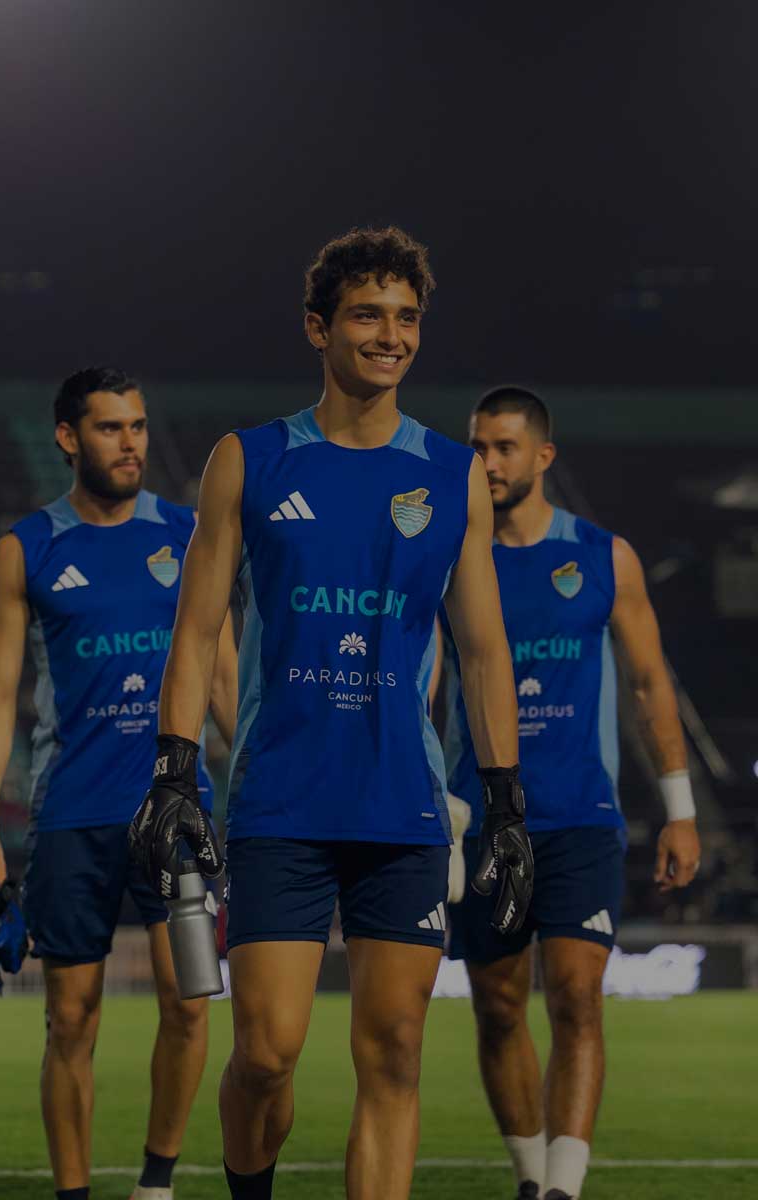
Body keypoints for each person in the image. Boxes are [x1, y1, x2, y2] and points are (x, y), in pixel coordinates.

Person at [128, 227, 531, 1200]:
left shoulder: (450, 474)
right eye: (365, 314)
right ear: (318, 327)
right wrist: (174, 773)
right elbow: (195, 632)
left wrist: (505, 806)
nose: (388, 334)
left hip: (402, 807)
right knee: (265, 1053)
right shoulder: (249, 461)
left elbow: (481, 648)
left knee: (392, 1051)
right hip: (280, 804)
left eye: (405, 318)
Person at [0, 366, 237, 1200]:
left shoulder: (189, 535)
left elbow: (223, 677)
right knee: (69, 1020)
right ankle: (74, 1193)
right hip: (72, 817)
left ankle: (156, 1183)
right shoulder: (26, 550)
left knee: (191, 1004)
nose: (131, 444)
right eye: (112, 428)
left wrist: (255, 783)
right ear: (68, 438)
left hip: (178, 814)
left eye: (140, 427)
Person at [437, 386, 702, 1200]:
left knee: (580, 997)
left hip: (581, 817)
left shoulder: (601, 556)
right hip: (481, 818)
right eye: (478, 446)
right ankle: (528, 1177)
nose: (487, 462)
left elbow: (652, 684)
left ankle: (563, 1187)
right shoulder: (447, 556)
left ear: (543, 456)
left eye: (505, 447)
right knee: (499, 1007)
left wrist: (681, 810)